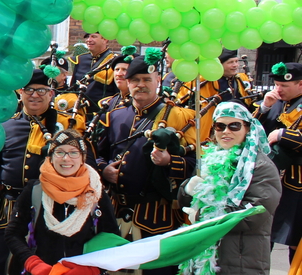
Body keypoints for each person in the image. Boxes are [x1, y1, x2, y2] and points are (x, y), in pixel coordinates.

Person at [0, 67, 88, 275]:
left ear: (51, 93)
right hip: (9, 209)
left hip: (51, 209)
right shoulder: (5, 127)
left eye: (41, 90)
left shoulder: (66, 127)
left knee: (45, 266)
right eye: (29, 90)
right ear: (20, 92)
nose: (35, 95)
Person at [97, 50, 196, 275]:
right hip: (116, 212)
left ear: (158, 80)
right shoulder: (115, 116)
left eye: (146, 80)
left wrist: (170, 161)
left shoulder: (179, 116)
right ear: (127, 83)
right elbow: (98, 154)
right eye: (135, 81)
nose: (140, 85)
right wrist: (104, 170)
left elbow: (195, 163)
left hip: (156, 217)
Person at [179, 102, 281, 275]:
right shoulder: (208, 160)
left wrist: (203, 215)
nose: (226, 131)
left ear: (247, 129)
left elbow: (254, 213)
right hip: (204, 255)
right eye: (220, 126)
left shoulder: (261, 166)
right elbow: (185, 203)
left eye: (234, 126)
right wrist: (187, 189)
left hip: (240, 260)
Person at [4, 130, 116, 275]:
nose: (66, 158)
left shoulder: (96, 193)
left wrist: (92, 269)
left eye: (73, 153)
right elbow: (13, 234)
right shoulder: (35, 190)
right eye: (60, 152)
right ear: (50, 157)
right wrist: (33, 263)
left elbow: (111, 239)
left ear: (83, 158)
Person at [261, 62, 302, 256]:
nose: (278, 89)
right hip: (271, 181)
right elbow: (254, 132)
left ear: (300, 84)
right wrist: (264, 108)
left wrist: (283, 135)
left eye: (284, 86)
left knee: (296, 241)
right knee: (264, 236)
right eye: (277, 84)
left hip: (297, 185)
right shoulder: (276, 102)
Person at [178, 50, 255, 137]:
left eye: (236, 61)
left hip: (237, 128)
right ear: (220, 65)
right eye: (231, 62)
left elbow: (250, 104)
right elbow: (182, 100)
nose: (235, 65)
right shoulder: (207, 80)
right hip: (214, 129)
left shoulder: (241, 79)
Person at [69, 32, 119, 111]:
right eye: (87, 37)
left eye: (93, 37)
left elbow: (117, 93)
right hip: (79, 113)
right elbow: (73, 88)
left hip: (102, 113)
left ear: (105, 39)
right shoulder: (80, 59)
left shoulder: (114, 60)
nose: (89, 40)